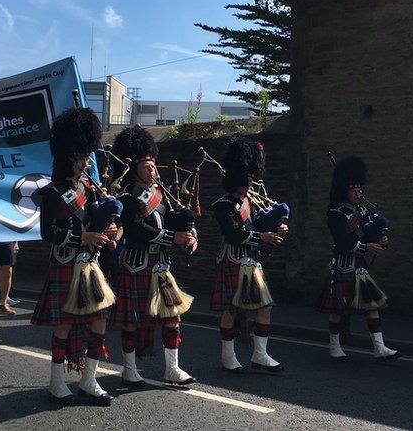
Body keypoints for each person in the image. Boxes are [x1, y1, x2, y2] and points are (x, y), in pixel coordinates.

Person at [30, 107, 119, 406]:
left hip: (90, 265)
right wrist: (83, 237)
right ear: (70, 156)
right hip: (66, 262)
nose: (87, 161)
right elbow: (48, 232)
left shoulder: (89, 188)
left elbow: (95, 218)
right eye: (82, 156)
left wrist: (111, 229)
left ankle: (88, 380)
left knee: (100, 321)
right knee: (65, 324)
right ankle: (57, 383)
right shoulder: (53, 192)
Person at [110, 125, 197, 388]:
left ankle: (172, 369)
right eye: (147, 165)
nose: (153, 169)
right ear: (134, 166)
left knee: (172, 318)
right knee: (132, 321)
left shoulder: (162, 195)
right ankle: (129, 369)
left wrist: (190, 233)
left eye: (154, 165)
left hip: (161, 266)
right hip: (137, 264)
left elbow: (172, 220)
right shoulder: (126, 195)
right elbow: (136, 229)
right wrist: (172, 238)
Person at [211, 138, 285, 373]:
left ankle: (259, 354)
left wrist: (276, 229)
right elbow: (233, 233)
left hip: (252, 262)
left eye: (251, 176)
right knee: (231, 310)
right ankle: (228, 355)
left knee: (265, 306)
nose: (250, 181)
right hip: (233, 259)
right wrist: (261, 237)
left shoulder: (251, 203)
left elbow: (260, 226)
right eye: (247, 177)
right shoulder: (222, 204)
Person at [316, 156, 401, 362]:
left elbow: (369, 231)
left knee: (371, 305)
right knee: (338, 308)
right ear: (344, 190)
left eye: (359, 190)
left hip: (360, 267)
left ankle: (379, 347)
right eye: (354, 190)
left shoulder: (362, 210)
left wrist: (381, 238)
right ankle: (335, 346)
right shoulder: (336, 212)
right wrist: (366, 246)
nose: (358, 193)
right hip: (344, 264)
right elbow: (342, 241)